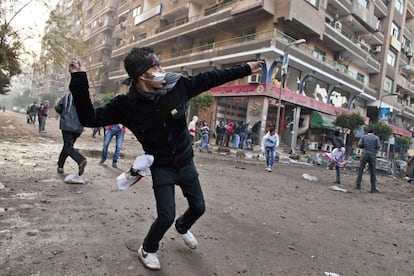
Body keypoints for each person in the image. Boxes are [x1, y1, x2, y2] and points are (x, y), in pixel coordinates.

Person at [68, 47, 263, 270]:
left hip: (185, 161)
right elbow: (90, 117)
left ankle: (183, 226)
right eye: (156, 67)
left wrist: (247, 68)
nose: (162, 70)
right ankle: (147, 249)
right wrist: (79, 78)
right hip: (161, 166)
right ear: (142, 75)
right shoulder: (126, 106)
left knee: (198, 207)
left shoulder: (177, 87)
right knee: (166, 215)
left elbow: (212, 78)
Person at [55, 92, 87, 176]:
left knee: (68, 147)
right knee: (68, 146)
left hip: (67, 125)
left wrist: (63, 113)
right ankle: (60, 166)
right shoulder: (84, 97)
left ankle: (80, 160)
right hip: (78, 128)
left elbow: (58, 107)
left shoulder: (67, 96)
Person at [355, 127, 381, 193]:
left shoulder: (364, 137)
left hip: (364, 154)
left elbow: (359, 145)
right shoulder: (376, 138)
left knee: (361, 169)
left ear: (367, 132)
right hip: (372, 155)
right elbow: (378, 146)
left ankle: (358, 184)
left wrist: (365, 147)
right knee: (373, 171)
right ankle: (373, 188)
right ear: (373, 132)